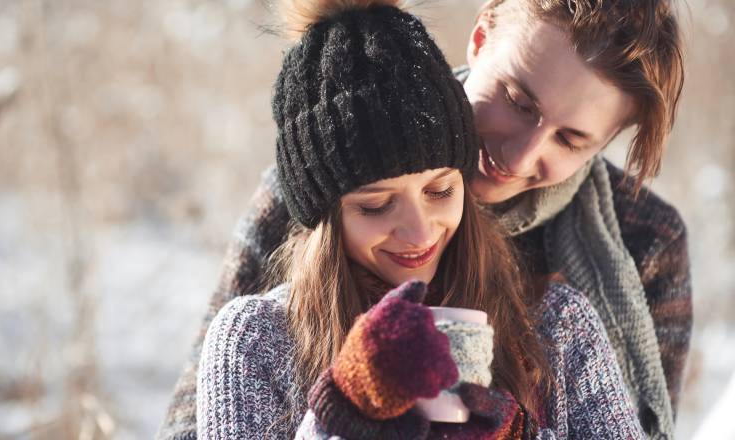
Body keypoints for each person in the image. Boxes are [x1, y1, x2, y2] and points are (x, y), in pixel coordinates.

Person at [158, 0, 691, 439]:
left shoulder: (630, 252)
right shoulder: (325, 166)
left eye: (571, 139)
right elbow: (203, 411)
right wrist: (344, 416)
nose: (520, 156)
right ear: (480, 39)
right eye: (517, 101)